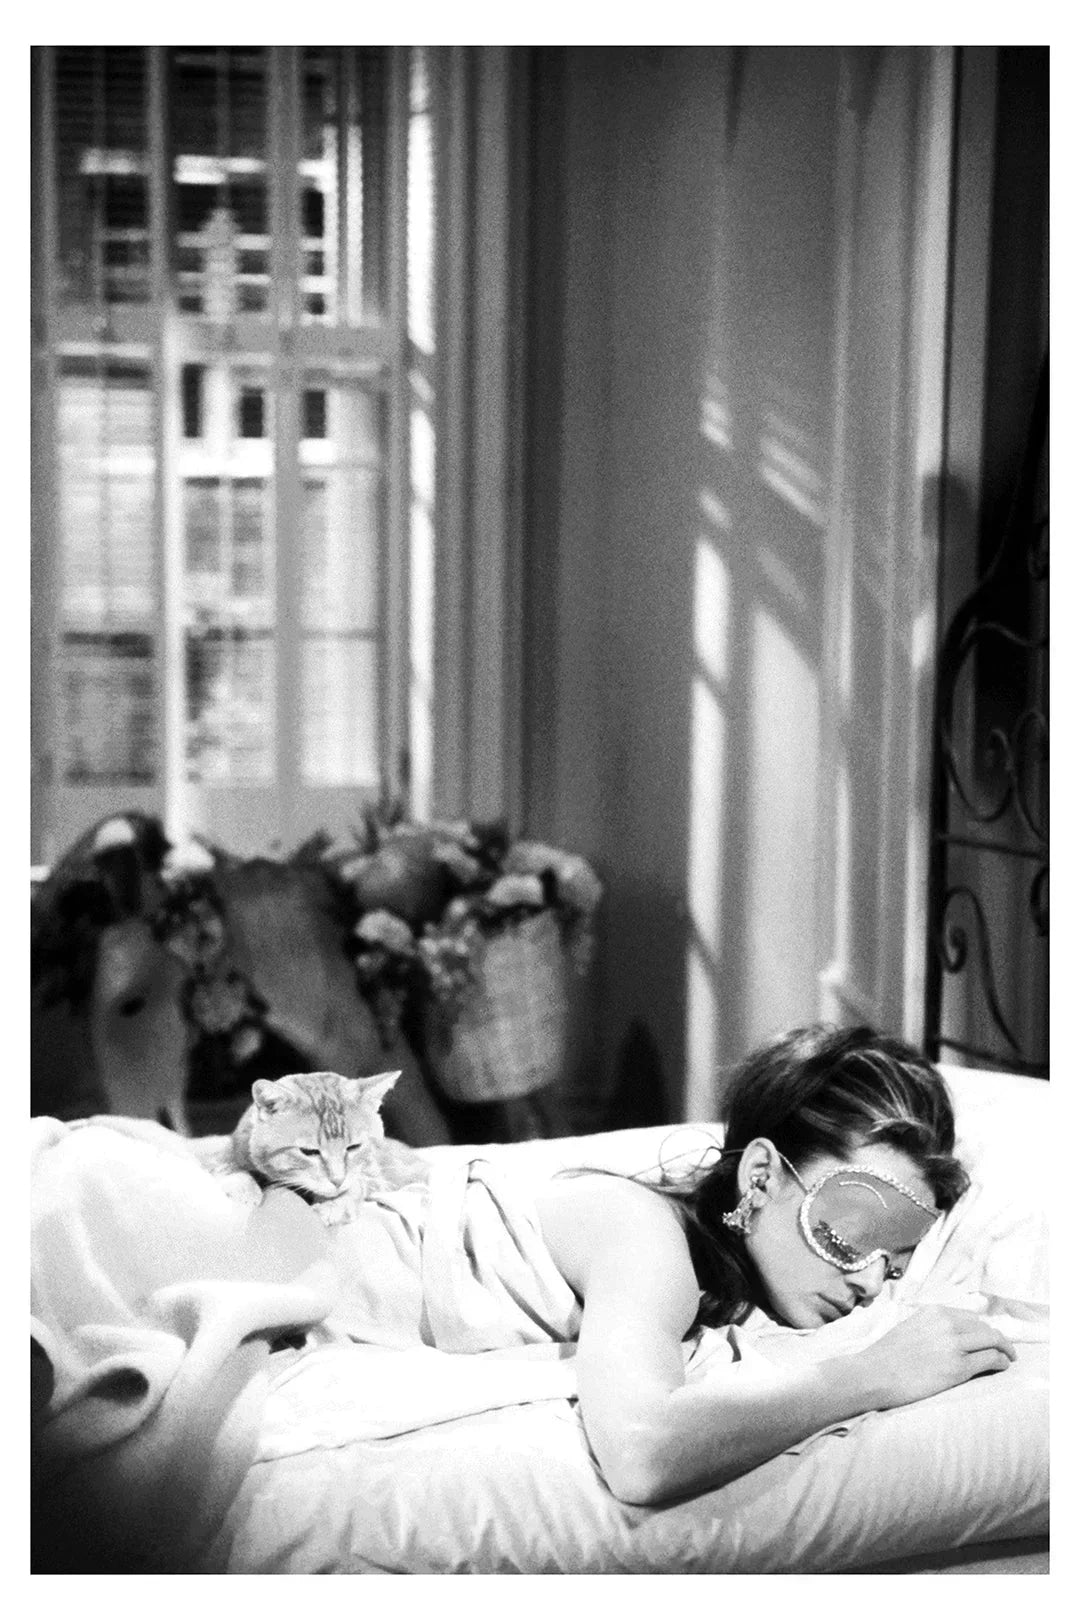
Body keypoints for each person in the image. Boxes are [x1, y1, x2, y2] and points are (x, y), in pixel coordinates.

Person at [534, 1022, 1017, 1506]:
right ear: (761, 1177)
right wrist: (875, 1372)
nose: (871, 1282)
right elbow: (641, 1455)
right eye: (849, 1233)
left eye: (894, 1261)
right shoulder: (641, 1231)